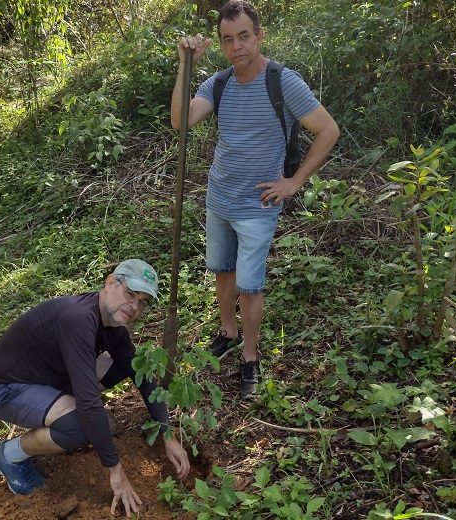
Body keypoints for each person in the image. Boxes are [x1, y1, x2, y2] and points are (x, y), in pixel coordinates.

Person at [171, 0, 340, 399]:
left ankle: (250, 356)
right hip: (219, 197)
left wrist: (294, 181)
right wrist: (185, 63)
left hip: (257, 205)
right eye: (228, 40)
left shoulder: (283, 82)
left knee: (250, 285)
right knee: (223, 270)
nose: (237, 46)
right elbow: (181, 121)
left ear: (259, 35)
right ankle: (228, 333)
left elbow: (328, 130)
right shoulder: (219, 83)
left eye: (244, 36)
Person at [0, 259, 190, 517]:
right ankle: (8, 455)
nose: (134, 306)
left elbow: (142, 376)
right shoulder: (78, 319)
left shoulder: (113, 328)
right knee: (80, 425)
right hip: (5, 387)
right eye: (130, 294)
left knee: (127, 365)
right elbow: (89, 403)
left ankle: (63, 413)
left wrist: (167, 435)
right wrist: (115, 470)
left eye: (142, 301)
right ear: (110, 282)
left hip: (47, 376)